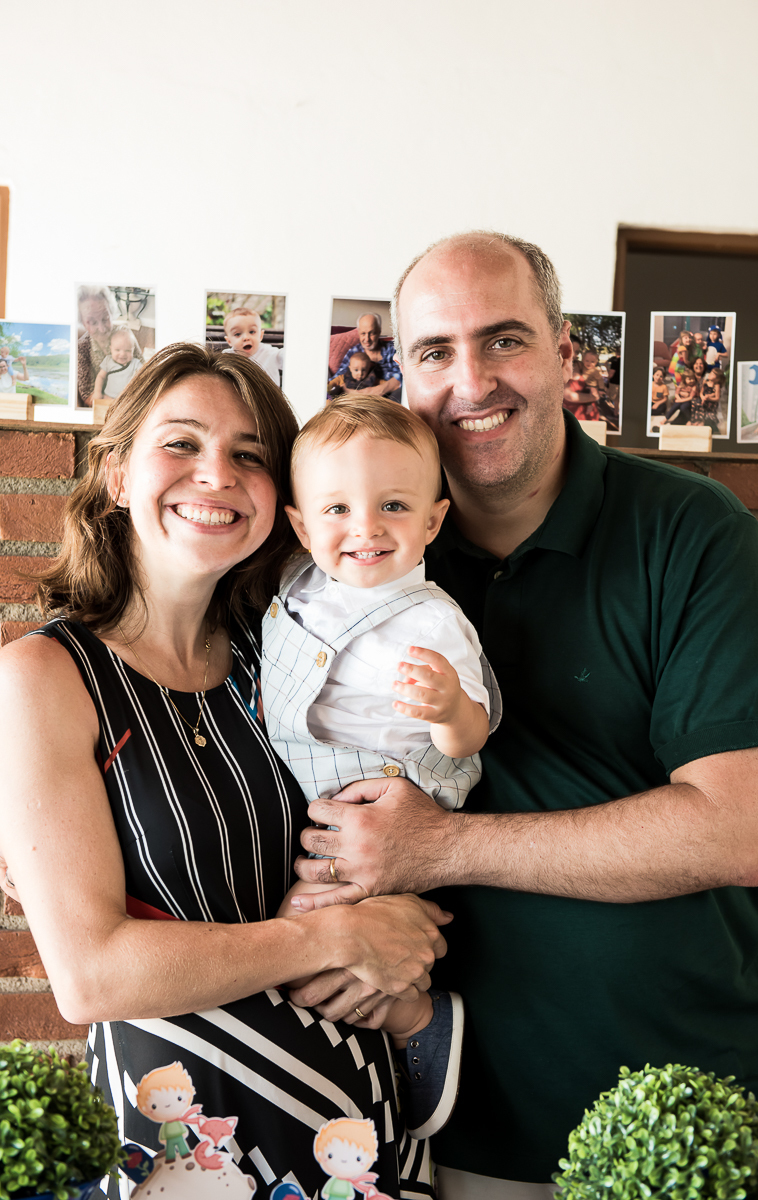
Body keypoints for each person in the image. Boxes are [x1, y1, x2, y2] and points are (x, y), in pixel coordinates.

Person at [289, 231, 758, 1198]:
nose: (471, 381)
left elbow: (737, 831)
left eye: (504, 339)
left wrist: (435, 847)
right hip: (442, 1128)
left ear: (566, 354)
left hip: (681, 1119)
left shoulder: (691, 533)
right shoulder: (351, 559)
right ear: (402, 377)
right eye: (435, 352)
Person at [0, 344, 450, 1200]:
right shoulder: (44, 677)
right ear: (117, 475)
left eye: (249, 455)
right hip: (183, 1138)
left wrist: (400, 903)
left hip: (355, 1119)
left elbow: (400, 800)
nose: (216, 475)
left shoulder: (286, 657)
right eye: (181, 443)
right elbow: (92, 976)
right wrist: (337, 937)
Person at [265, 395, 500, 1137]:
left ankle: (417, 1019)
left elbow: (472, 736)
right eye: (337, 509)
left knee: (311, 931)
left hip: (389, 799)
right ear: (301, 526)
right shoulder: (300, 588)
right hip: (319, 792)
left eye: (393, 506)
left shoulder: (431, 620)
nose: (365, 528)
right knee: (308, 943)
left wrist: (448, 706)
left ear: (432, 521)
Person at [76, 284, 144, 408]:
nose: (102, 329)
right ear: (83, 323)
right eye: (92, 322)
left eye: (105, 318)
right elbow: (88, 396)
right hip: (104, 407)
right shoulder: (81, 349)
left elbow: (144, 371)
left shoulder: (125, 334)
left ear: (111, 313)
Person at [331, 313, 402, 399]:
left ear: (379, 331)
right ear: (358, 333)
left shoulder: (393, 349)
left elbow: (404, 375)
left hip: (389, 397)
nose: (367, 339)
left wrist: (377, 391)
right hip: (356, 398)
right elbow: (338, 378)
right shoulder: (354, 352)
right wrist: (348, 391)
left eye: (371, 333)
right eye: (363, 333)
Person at [221, 306, 284, 386]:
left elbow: (290, 358)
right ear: (229, 341)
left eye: (252, 332)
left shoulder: (271, 353)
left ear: (260, 336)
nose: (246, 337)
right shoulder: (227, 358)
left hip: (269, 394)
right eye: (237, 334)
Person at [90, 326, 143, 402]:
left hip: (126, 399)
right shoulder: (108, 361)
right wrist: (97, 392)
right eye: (117, 350)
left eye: (128, 350)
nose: (122, 354)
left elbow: (144, 371)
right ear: (111, 349)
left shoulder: (135, 363)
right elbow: (101, 377)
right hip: (108, 397)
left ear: (133, 350)